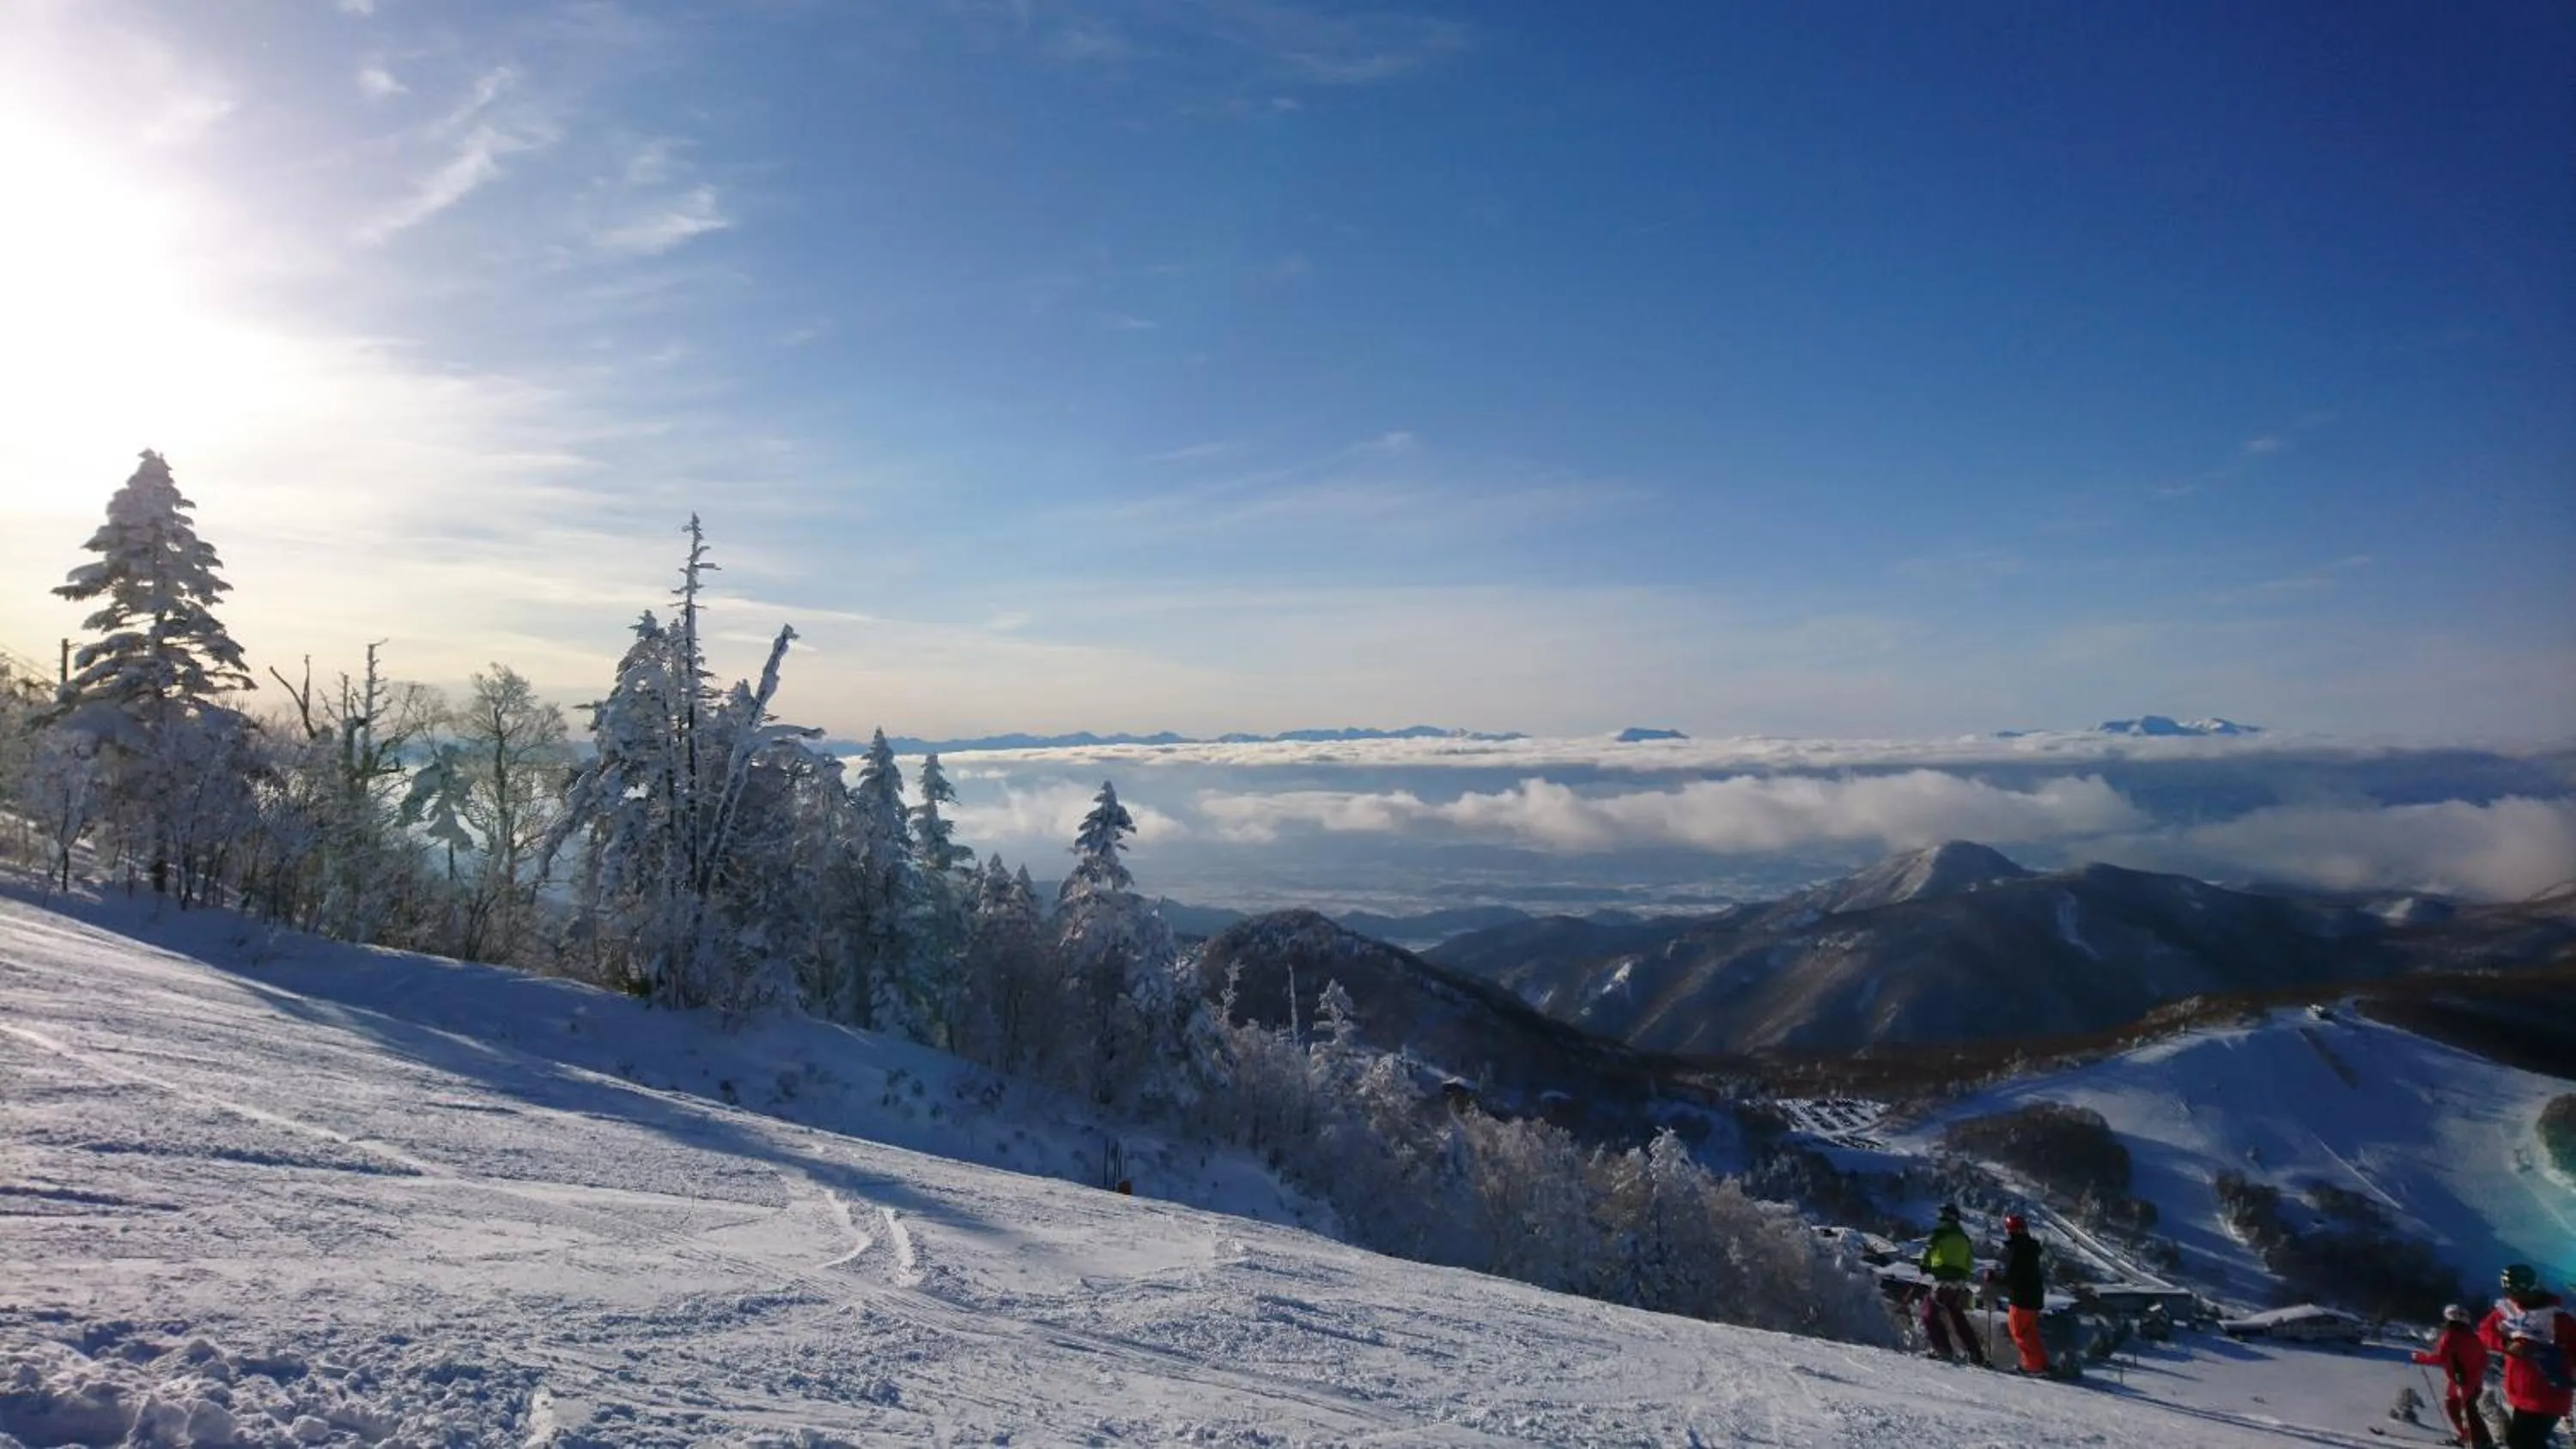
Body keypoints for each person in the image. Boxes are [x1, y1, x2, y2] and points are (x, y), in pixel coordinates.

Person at [2478, 1264, 2574, 1449]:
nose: (2516, 1298)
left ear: (2535, 1288)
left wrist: (2545, 1354)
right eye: (2511, 1292)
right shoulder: (2507, 1312)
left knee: (2523, 1442)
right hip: (2520, 1393)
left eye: (2521, 1292)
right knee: (2519, 1442)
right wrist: (2506, 1344)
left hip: (2549, 1395)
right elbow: (2484, 1332)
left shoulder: (2558, 1319)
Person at [2415, 1303, 2495, 1449]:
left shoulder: (2450, 1335)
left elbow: (2439, 1357)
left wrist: (2419, 1357)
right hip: (2475, 1381)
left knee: (2455, 1407)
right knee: (2469, 1410)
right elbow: (2484, 1360)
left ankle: (2473, 1439)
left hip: (2461, 1380)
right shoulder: (2474, 1337)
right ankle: (2482, 1439)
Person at [1918, 1203, 1988, 1367]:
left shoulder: (1939, 1234)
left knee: (1929, 1313)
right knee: (1957, 1318)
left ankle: (1943, 1349)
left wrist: (1925, 1267)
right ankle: (1976, 1354)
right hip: (1959, 1283)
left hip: (1942, 1279)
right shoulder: (1964, 1237)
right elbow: (1969, 1263)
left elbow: (1928, 1254)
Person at [1997, 1214, 2050, 1375]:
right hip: (2034, 1296)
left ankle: (2032, 1366)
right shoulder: (2030, 1248)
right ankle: (2040, 1363)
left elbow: (2011, 1276)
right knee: (2030, 1332)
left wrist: (1994, 1279)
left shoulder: (2016, 1249)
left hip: (2021, 1297)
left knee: (2018, 1331)